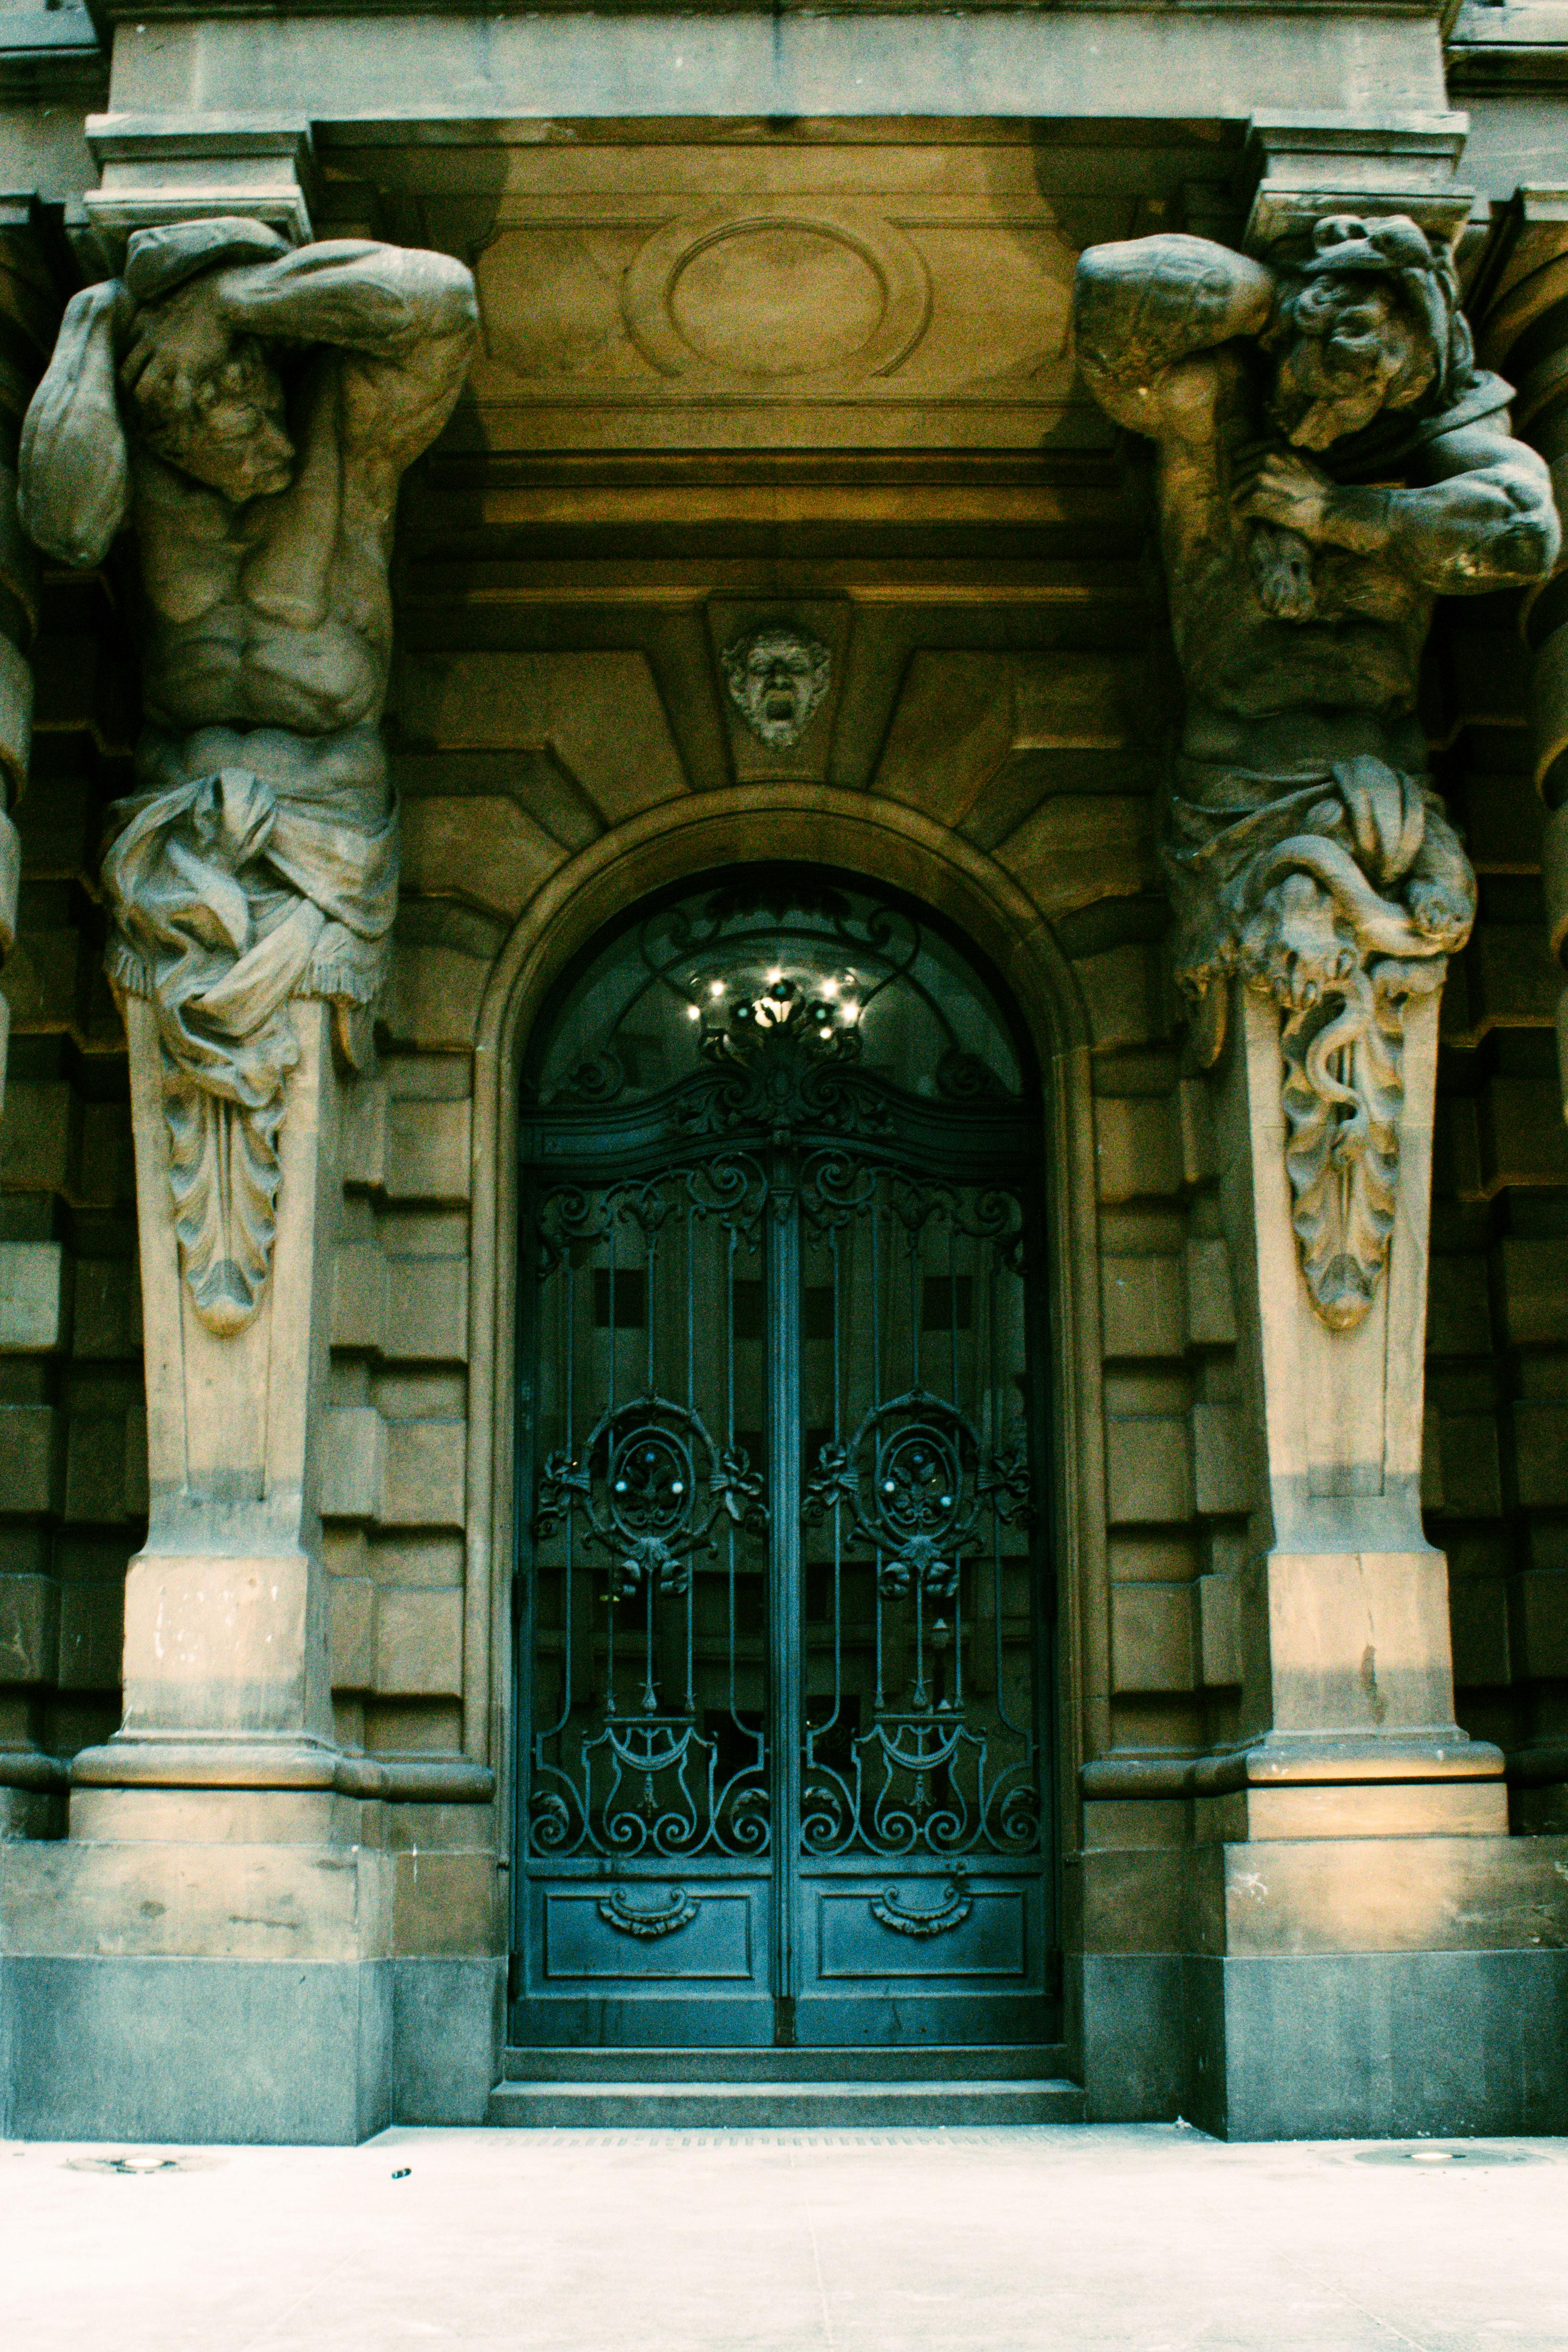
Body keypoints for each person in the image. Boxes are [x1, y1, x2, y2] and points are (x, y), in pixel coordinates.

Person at [18, 219, 478, 1331]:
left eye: (264, 393)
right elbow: (62, 523)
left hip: (324, 842)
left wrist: (239, 305)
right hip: (180, 851)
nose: (265, 422)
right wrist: (93, 320)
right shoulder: (133, 456)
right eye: (232, 406)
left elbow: (445, 300)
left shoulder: (341, 429)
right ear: (168, 415)